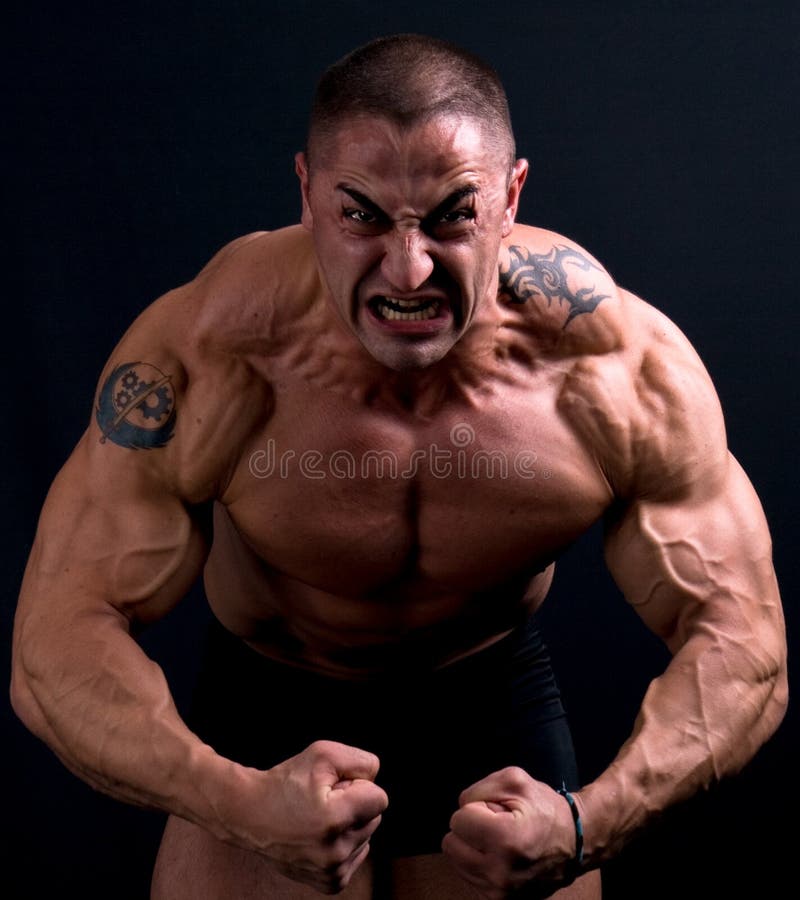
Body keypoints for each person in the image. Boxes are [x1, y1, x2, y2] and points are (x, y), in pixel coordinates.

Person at [11, 33, 787, 900]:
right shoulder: (212, 352)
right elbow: (55, 641)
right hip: (271, 706)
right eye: (363, 215)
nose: (408, 267)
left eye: (453, 213)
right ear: (307, 195)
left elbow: (745, 644)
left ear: (511, 196)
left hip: (489, 708)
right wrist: (231, 799)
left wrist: (586, 824)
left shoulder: (614, 370)